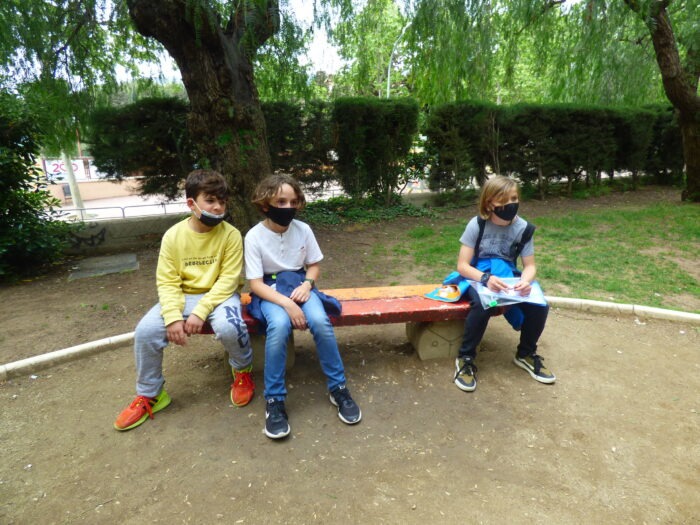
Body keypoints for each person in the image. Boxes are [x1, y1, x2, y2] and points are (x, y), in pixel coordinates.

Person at [114, 169, 254, 431]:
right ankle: (151, 394)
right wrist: (172, 316)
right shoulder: (173, 236)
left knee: (230, 327)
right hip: (182, 296)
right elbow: (167, 281)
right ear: (191, 203)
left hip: (221, 297)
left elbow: (228, 280)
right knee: (145, 331)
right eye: (210, 200)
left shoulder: (231, 234)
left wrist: (201, 310)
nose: (218, 207)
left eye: (222, 202)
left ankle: (242, 370)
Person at [244, 174, 361, 440]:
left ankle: (338, 387)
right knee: (279, 325)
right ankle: (274, 400)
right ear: (265, 204)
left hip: (299, 284)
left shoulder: (303, 229)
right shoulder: (254, 236)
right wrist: (287, 303)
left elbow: (314, 265)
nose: (288, 207)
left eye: (293, 202)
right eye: (280, 201)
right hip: (271, 290)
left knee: (320, 321)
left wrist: (307, 285)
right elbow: (256, 284)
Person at [453, 175, 555, 392]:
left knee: (540, 306)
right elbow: (462, 265)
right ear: (489, 202)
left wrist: (525, 282)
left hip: (508, 278)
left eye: (514, 198)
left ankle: (526, 354)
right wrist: (485, 278)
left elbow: (530, 266)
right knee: (483, 305)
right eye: (503, 200)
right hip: (477, 276)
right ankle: (465, 358)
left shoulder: (524, 228)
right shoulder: (477, 224)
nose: (511, 204)